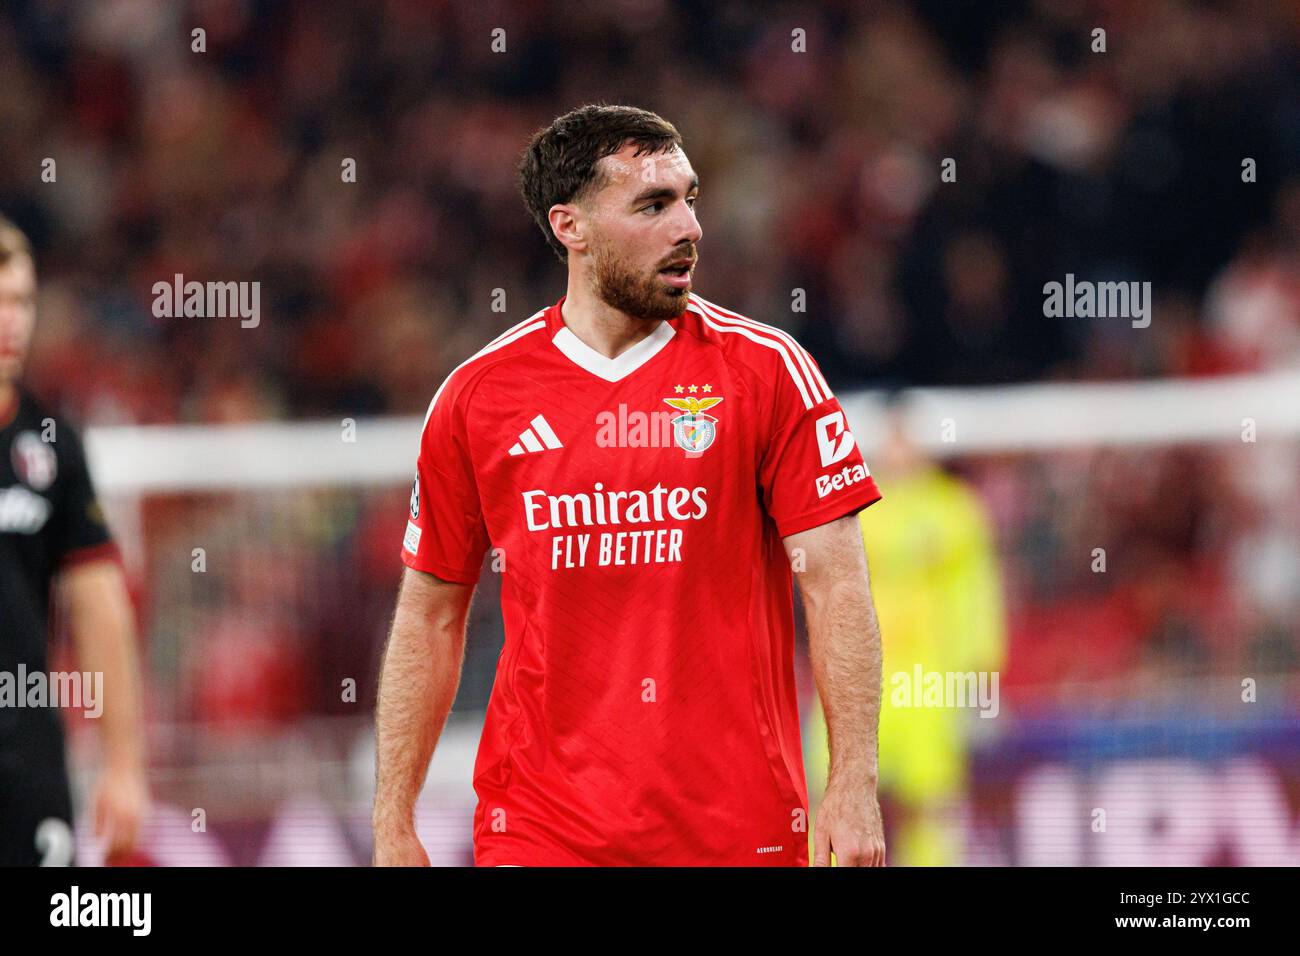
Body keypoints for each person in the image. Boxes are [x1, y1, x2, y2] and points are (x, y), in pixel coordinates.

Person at [373, 105, 886, 867]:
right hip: (541, 830)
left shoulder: (767, 372)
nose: (690, 227)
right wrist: (392, 818)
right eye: (653, 205)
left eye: (690, 197)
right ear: (571, 227)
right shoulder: (479, 397)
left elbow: (837, 586)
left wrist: (852, 780)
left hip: (735, 825)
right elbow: (430, 617)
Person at [0, 216, 148, 866]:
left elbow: (100, 607)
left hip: (24, 756)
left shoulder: (52, 445)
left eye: (23, 301)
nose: (13, 321)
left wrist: (124, 765)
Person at [806, 402, 1006, 865]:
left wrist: (981, 668)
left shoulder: (956, 511)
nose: (900, 448)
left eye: (909, 436)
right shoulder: (849, 503)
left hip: (928, 675)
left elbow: (978, 594)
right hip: (851, 675)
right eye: (892, 436)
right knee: (833, 787)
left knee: (931, 796)